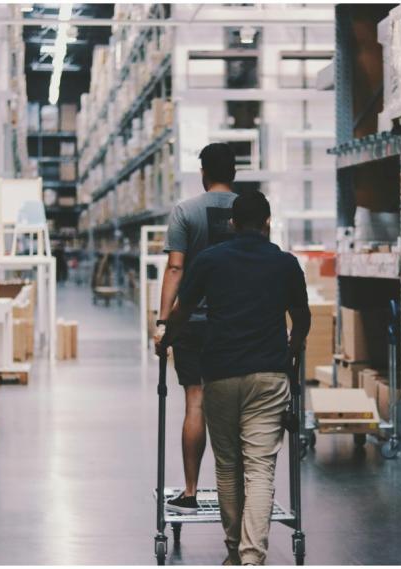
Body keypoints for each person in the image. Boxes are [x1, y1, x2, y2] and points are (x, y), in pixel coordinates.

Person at [157, 191, 311, 565]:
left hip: (221, 374)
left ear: (232, 224)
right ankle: (252, 556)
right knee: (260, 468)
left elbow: (183, 310)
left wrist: (166, 337)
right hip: (269, 375)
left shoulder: (210, 261)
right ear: (268, 222)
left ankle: (232, 550)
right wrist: (292, 347)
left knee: (228, 466)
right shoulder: (286, 263)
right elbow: (302, 317)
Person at [154, 142, 238, 514]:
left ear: (203, 172)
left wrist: (162, 322)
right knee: (237, 405)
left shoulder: (186, 211)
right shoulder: (249, 210)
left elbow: (175, 268)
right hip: (236, 322)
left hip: (193, 322)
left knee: (195, 402)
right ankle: (235, 491)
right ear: (234, 172)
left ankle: (190, 493)